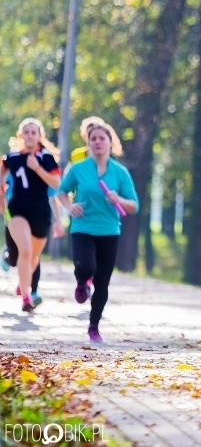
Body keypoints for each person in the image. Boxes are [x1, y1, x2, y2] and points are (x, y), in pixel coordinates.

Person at [57, 122, 138, 343]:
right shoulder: (78, 169)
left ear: (111, 143)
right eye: (93, 139)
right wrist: (69, 207)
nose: (98, 142)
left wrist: (118, 199)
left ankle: (94, 326)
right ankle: (82, 282)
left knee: (102, 281)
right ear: (88, 143)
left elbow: (133, 205)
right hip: (83, 227)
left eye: (102, 138)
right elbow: (61, 191)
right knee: (86, 266)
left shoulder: (120, 173)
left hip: (109, 230)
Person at [0, 118, 62, 312]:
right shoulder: (12, 157)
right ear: (21, 136)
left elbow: (56, 184)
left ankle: (23, 283)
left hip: (41, 214)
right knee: (25, 250)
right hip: (18, 210)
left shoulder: (46, 158)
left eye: (33, 132)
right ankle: (26, 297)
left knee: (33, 257)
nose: (29, 136)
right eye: (26, 132)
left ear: (39, 136)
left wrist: (37, 168)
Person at [2, 174, 64, 307]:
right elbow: (3, 195)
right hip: (14, 221)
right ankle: (7, 256)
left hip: (36, 221)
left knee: (33, 255)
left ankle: (32, 291)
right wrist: (7, 216)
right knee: (14, 260)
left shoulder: (43, 174)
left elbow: (52, 199)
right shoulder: (14, 172)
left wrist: (58, 221)